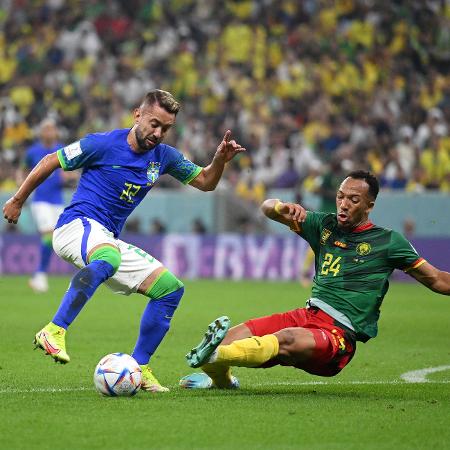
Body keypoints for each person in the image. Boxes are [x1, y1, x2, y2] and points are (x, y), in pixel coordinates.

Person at [3, 89, 245, 393]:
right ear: (137, 115)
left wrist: (220, 160)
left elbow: (207, 182)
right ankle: (54, 330)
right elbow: (52, 160)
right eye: (154, 124)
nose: (158, 133)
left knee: (170, 289)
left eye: (166, 128)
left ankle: (140, 366)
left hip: (106, 239)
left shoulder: (164, 157)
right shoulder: (102, 143)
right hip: (76, 226)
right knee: (108, 257)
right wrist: (17, 199)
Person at [180, 170, 450, 389]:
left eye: (353, 200)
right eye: (341, 196)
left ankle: (213, 354)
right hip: (307, 315)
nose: (344, 204)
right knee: (230, 337)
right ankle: (222, 380)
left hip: (337, 335)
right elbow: (267, 209)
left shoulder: (388, 242)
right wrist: (281, 206)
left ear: (370, 205)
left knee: (284, 339)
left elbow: (437, 279)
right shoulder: (323, 225)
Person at [21, 119, 65, 293]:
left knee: (57, 239)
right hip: (40, 200)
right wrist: (21, 185)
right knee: (48, 234)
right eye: (46, 129)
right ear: (41, 133)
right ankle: (40, 275)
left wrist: (68, 177)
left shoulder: (61, 148)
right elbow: (24, 170)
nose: (49, 133)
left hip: (58, 200)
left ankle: (39, 275)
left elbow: (69, 171)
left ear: (56, 132)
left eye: (52, 129)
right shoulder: (33, 152)